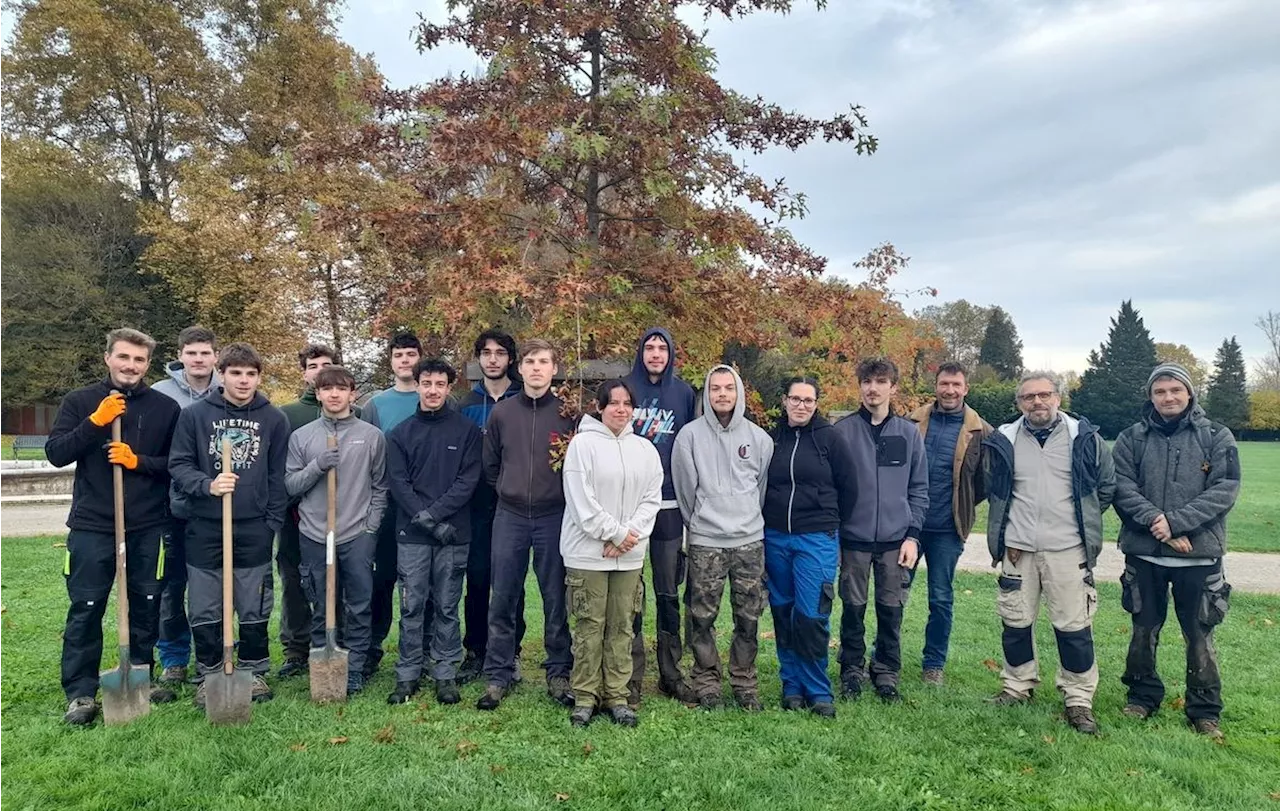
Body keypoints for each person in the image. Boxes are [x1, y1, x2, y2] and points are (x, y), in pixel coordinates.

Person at [47, 328, 182, 725]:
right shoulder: (81, 401)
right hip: (93, 524)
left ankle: (140, 673)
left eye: (139, 360)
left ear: (147, 365)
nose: (131, 366)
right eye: (124, 357)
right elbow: (57, 453)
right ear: (107, 357)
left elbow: (175, 464)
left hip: (146, 523)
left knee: (145, 603)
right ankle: (81, 691)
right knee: (86, 607)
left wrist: (137, 461)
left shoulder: (163, 408)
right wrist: (96, 421)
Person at [1113, 363, 1240, 740]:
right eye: (1160, 391)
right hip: (1145, 555)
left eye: (1175, 391)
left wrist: (1178, 523)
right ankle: (1142, 696)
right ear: (1150, 396)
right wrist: (1159, 524)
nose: (1168, 397)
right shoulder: (1131, 438)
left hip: (1199, 557)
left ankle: (1203, 709)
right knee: (1143, 631)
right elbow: (1121, 488)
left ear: (1189, 393)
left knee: (1199, 635)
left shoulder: (1217, 436)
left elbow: (1224, 489)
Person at [984, 371, 1115, 734]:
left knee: (1073, 627)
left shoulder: (1084, 439)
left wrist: (1078, 521)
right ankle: (1017, 686)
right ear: (1019, 403)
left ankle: (1078, 699)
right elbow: (993, 486)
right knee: (1015, 622)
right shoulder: (1004, 440)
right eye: (1029, 397)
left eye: (1044, 395)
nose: (1037, 402)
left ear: (1059, 398)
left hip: (1067, 548)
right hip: (1017, 548)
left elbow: (1105, 487)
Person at [168, 342, 290, 707]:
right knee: (206, 603)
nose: (243, 380)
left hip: (253, 525)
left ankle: (253, 671)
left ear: (258, 377)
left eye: (251, 374)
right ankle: (209, 672)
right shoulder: (195, 416)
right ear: (221, 374)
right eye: (236, 373)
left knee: (253, 601)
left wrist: (271, 521)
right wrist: (207, 485)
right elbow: (179, 464)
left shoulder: (273, 419)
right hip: (205, 524)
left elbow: (278, 475)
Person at [476, 339, 577, 711]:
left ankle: (558, 672)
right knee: (503, 595)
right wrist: (511, 489)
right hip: (511, 515)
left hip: (554, 516)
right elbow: (490, 466)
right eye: (530, 361)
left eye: (544, 362)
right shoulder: (503, 413)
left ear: (554, 369)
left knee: (555, 597)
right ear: (520, 369)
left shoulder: (569, 415)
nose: (536, 368)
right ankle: (498, 673)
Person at [560, 379, 663, 728]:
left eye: (626, 403)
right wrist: (616, 533)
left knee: (622, 626)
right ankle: (586, 696)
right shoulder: (583, 445)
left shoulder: (646, 450)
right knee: (590, 625)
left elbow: (652, 499)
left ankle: (617, 695)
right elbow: (581, 502)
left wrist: (628, 538)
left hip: (628, 557)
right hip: (588, 553)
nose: (620, 409)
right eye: (613, 403)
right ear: (600, 407)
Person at [672, 365, 773, 711]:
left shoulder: (760, 439)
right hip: (706, 541)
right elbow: (686, 490)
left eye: (729, 388)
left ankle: (744, 682)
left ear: (739, 392)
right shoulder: (689, 436)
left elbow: (760, 489)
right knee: (701, 617)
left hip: (748, 542)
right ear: (707, 393)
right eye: (715, 388)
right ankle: (707, 682)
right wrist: (700, 522)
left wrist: (745, 518)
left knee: (748, 617)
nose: (722, 395)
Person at [284, 365, 388, 696]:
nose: (333, 394)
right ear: (318, 393)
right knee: (321, 604)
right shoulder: (302, 437)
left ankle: (354, 667)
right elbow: (290, 485)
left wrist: (370, 529)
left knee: (358, 604)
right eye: (327, 389)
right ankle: (323, 664)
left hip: (356, 533)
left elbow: (380, 487)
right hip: (315, 532)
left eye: (340, 389)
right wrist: (318, 466)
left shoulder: (371, 436)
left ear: (352, 394)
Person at [385, 359, 482, 706]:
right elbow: (399, 483)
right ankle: (407, 673)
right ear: (417, 385)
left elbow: (467, 481)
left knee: (446, 605)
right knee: (411, 608)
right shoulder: (400, 434)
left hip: (453, 535)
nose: (432, 390)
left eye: (440, 384)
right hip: (412, 536)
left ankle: (445, 673)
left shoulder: (467, 432)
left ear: (449, 387)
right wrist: (426, 521)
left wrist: (437, 516)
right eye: (426, 383)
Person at [833, 357, 927, 703]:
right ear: (860, 386)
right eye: (867, 381)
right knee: (853, 609)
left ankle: (886, 672)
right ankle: (851, 671)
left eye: (880, 381)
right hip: (853, 540)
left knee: (891, 611)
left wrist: (913, 535)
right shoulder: (842, 432)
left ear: (893, 387)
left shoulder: (908, 433)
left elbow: (919, 488)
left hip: (895, 541)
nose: (873, 388)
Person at [762, 377, 857, 718]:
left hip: (816, 538)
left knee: (812, 614)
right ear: (785, 401)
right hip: (776, 536)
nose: (801, 405)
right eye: (795, 399)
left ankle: (818, 690)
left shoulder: (830, 439)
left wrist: (831, 524)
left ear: (816, 404)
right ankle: (791, 685)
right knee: (783, 611)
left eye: (808, 400)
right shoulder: (772, 439)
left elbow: (850, 487)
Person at [906, 362, 993, 685]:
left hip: (947, 529)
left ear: (966, 388)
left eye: (956, 385)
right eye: (945, 384)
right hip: (907, 529)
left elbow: (985, 482)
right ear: (936, 386)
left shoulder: (981, 431)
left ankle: (933, 664)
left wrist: (963, 505)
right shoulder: (912, 422)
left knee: (940, 599)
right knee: (894, 594)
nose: (950, 390)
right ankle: (885, 657)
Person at [623, 327, 697, 704]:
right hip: (631, 508)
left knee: (668, 593)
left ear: (670, 353)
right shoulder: (624, 388)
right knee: (631, 594)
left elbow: (691, 445)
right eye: (649, 348)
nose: (655, 354)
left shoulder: (684, 393)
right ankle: (631, 676)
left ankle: (671, 672)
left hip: (669, 507)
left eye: (661, 348)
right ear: (641, 352)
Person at [151, 324, 220, 685]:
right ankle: (174, 658)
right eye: (191, 352)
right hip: (171, 506)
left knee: (217, 585)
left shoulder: (231, 390)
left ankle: (220, 648)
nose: (198, 359)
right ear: (180, 356)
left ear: (215, 357)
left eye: (205, 352)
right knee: (173, 585)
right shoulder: (160, 395)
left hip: (218, 507)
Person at [457, 328, 526, 683]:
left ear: (510, 359)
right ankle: (476, 650)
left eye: (500, 352)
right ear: (479, 359)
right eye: (486, 353)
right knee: (479, 576)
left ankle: (510, 651)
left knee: (511, 580)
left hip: (513, 499)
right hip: (476, 503)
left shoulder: (522, 399)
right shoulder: (467, 404)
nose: (494, 359)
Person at [277, 343, 341, 679]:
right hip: (295, 517)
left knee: (334, 581)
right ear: (304, 373)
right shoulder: (286, 415)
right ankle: (296, 648)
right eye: (313, 365)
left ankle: (333, 640)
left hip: (338, 517)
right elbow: (282, 471)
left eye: (327, 364)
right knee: (295, 583)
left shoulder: (351, 415)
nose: (320, 370)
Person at [362, 332, 423, 678]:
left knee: (421, 582)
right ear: (391, 360)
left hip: (423, 505)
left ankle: (424, 648)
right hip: (386, 505)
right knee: (382, 579)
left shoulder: (434, 396)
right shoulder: (376, 404)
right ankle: (372, 646)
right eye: (398, 354)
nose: (404, 360)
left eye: (410, 354)